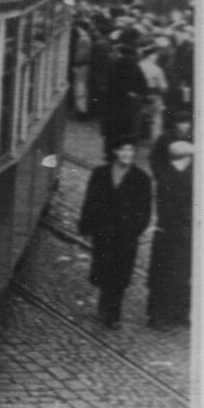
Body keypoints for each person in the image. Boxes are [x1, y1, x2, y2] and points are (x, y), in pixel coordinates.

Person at [78, 136, 153, 329]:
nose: (127, 154)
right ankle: (104, 306)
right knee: (104, 271)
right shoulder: (100, 173)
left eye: (130, 150)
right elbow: (91, 201)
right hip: (103, 233)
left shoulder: (141, 178)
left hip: (125, 236)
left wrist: (135, 230)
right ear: (115, 152)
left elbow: (145, 210)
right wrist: (86, 226)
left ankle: (113, 315)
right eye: (123, 150)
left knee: (120, 275)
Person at [146, 139, 194, 328]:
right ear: (185, 158)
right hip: (172, 234)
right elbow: (173, 210)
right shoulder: (170, 178)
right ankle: (158, 316)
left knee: (181, 276)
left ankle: (177, 313)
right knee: (165, 277)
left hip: (178, 234)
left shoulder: (179, 175)